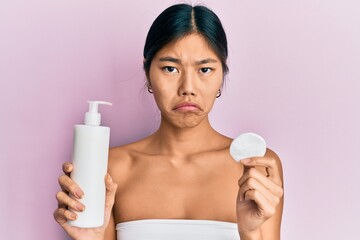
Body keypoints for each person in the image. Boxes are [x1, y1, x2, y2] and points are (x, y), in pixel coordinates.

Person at [54, 3, 284, 240]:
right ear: (148, 75)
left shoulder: (255, 168)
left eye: (204, 69)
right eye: (170, 68)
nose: (188, 88)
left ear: (221, 76)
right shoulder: (110, 169)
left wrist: (250, 232)